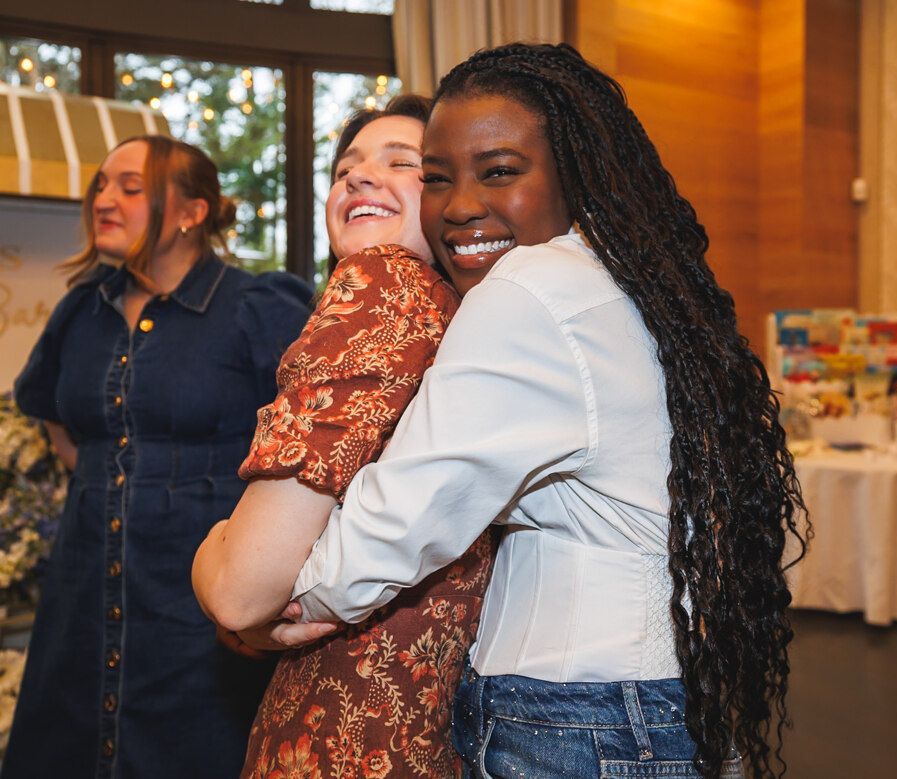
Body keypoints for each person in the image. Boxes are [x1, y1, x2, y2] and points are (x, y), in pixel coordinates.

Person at [285, 43, 810, 779]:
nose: (460, 205)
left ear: (576, 173)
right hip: (653, 698)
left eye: (500, 171)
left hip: (579, 716)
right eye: (437, 178)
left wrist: (277, 598)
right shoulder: (623, 278)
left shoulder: (529, 287)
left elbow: (399, 518)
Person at [192, 95, 495, 778]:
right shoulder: (463, 315)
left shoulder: (380, 283)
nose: (357, 177)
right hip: (428, 729)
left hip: (339, 725)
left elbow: (241, 590)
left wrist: (209, 552)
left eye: (401, 162)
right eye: (345, 169)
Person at [6, 135, 313, 778]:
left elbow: (313, 439)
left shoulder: (256, 307)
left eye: (130, 187)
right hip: (82, 590)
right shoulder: (82, 307)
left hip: (200, 604)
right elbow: (54, 415)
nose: (104, 199)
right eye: (101, 185)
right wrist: (116, 481)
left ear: (191, 212)